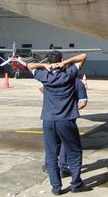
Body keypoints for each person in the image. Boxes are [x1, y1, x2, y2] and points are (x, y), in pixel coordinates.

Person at [28, 52, 90, 195]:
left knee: (51, 155)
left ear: (49, 61)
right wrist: (66, 62)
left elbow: (30, 65)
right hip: (66, 120)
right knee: (74, 152)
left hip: (48, 120)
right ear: (61, 60)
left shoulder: (44, 76)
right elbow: (83, 56)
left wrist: (45, 65)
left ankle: (56, 188)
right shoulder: (69, 75)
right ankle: (76, 184)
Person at [40, 78, 88, 178]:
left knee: (51, 148)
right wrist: (69, 107)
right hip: (66, 118)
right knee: (66, 144)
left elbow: (41, 88)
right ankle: (63, 168)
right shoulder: (77, 83)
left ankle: (51, 171)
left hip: (49, 118)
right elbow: (82, 102)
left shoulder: (51, 79)